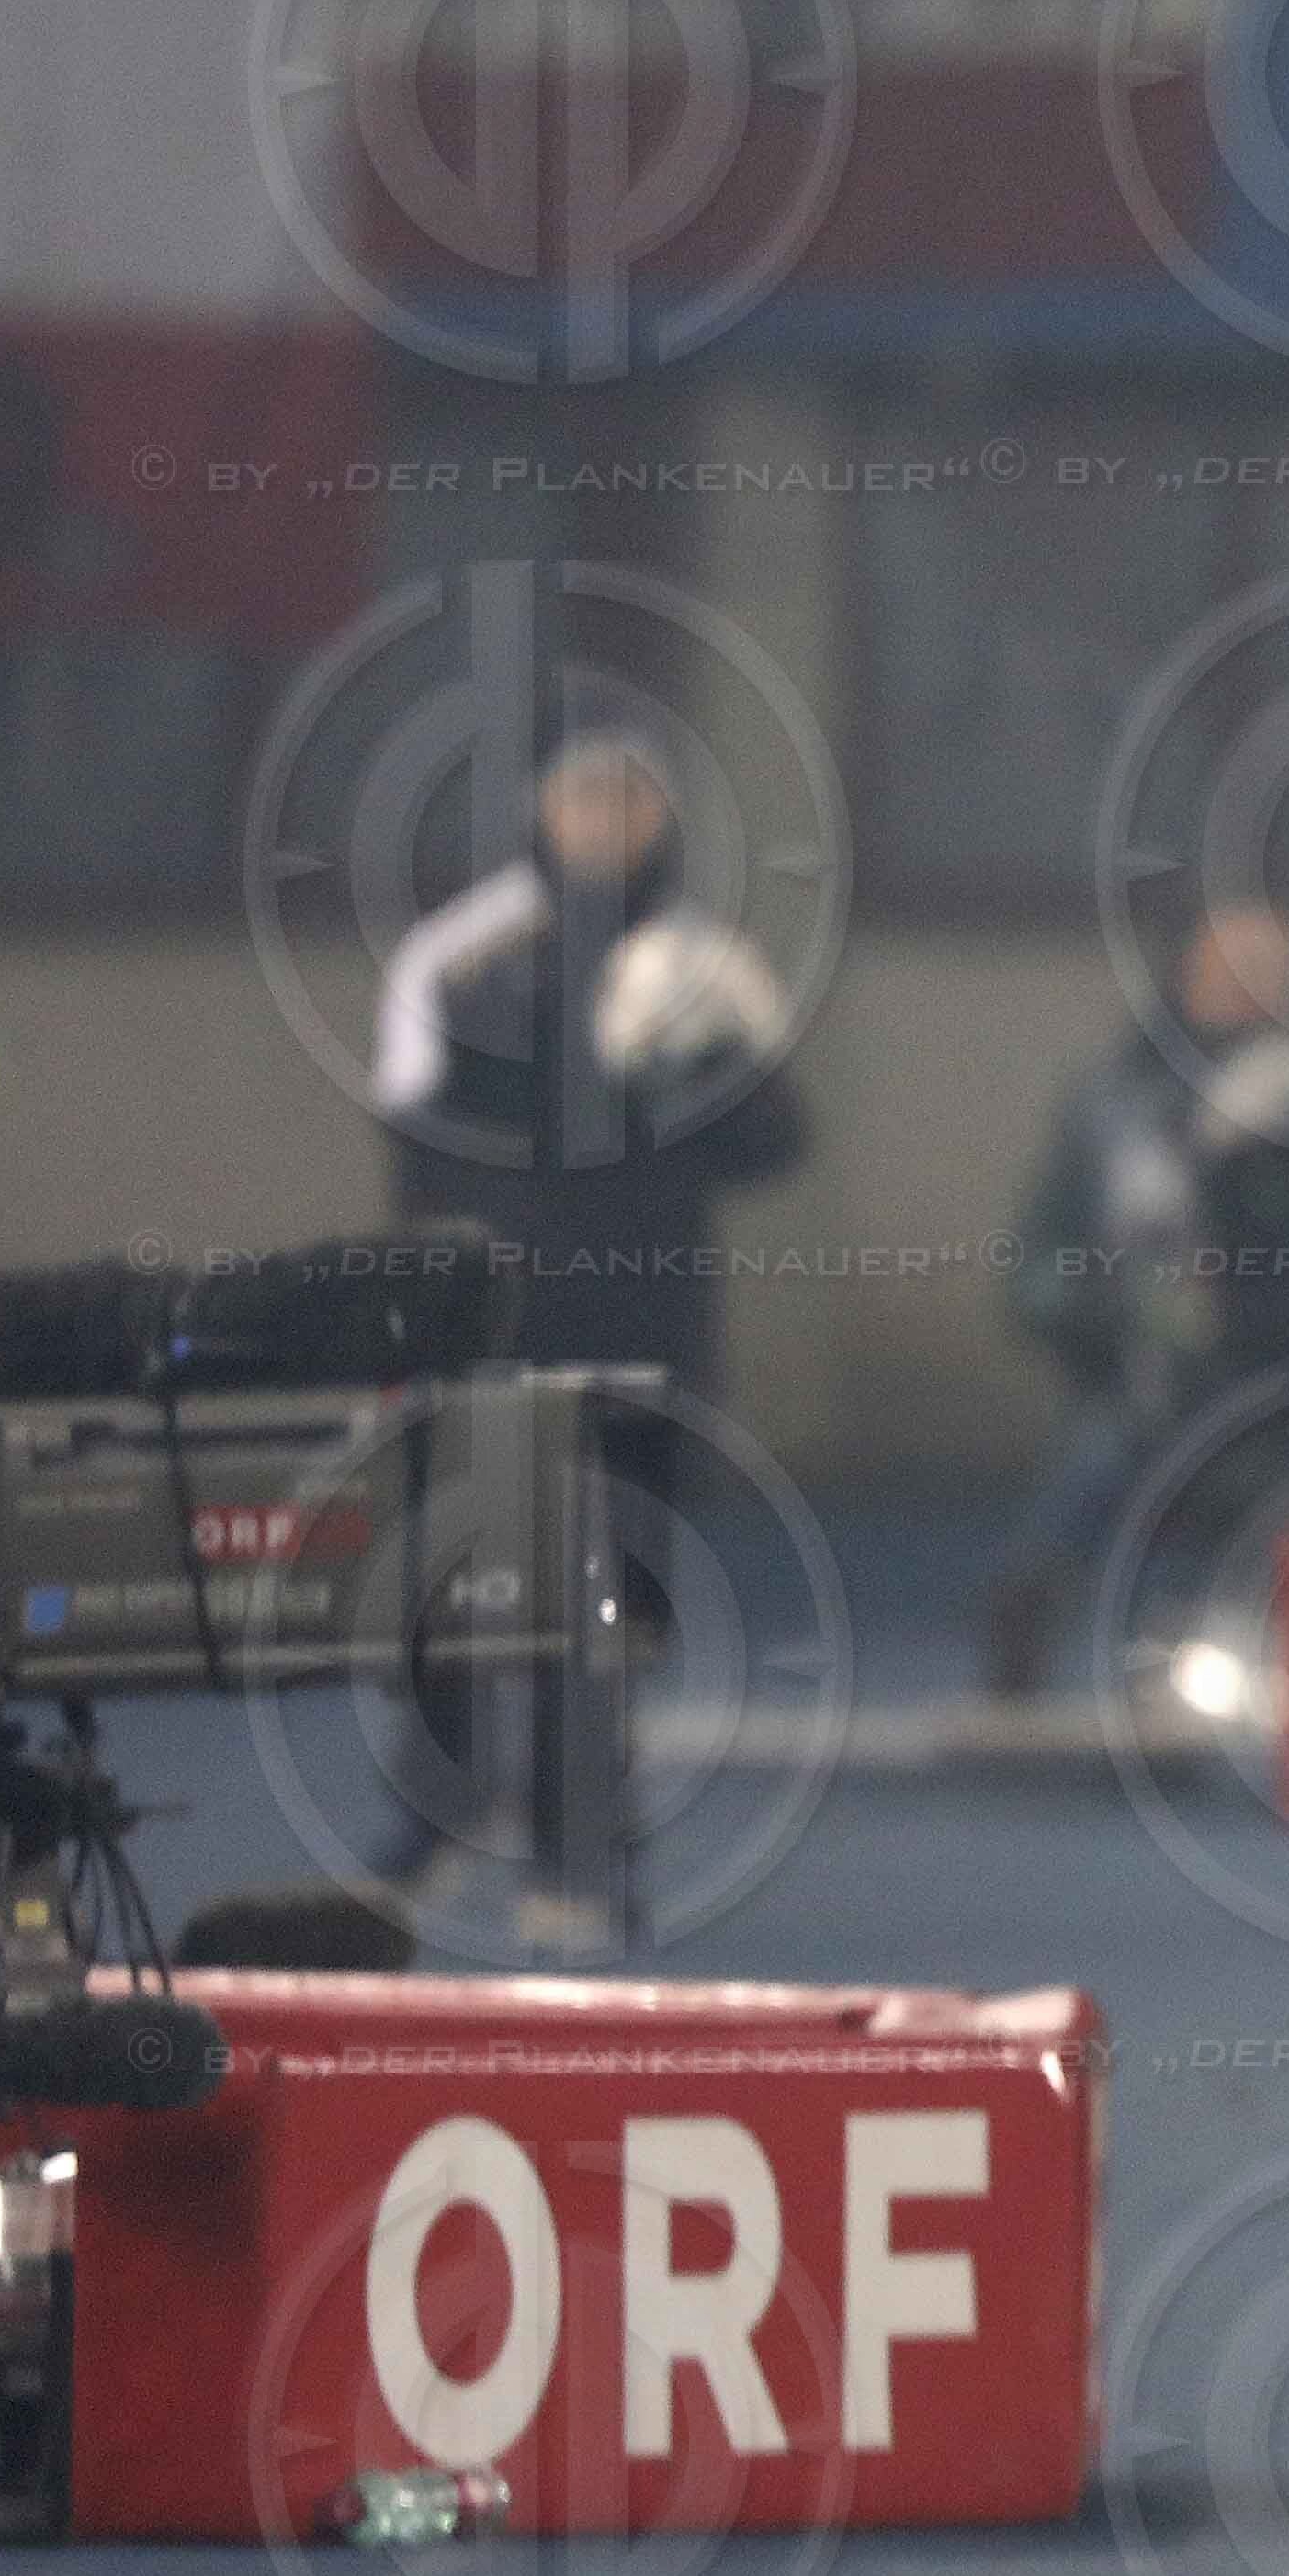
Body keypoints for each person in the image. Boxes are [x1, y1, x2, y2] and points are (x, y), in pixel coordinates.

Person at [369, 734, 807, 1901]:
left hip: (647, 1328)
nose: (608, 821)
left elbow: (777, 1144)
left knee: (612, 1595)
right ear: (540, 812)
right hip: (498, 1338)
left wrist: (688, 1067)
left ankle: (582, 1837)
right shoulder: (460, 959)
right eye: (584, 798)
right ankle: (443, 1803)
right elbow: (420, 1151)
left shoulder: (703, 964)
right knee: (457, 1582)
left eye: (633, 799)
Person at [984, 896, 1289, 1697]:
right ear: (1187, 975)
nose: (1247, 989)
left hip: (1284, 1383)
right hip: (1142, 1382)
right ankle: (1017, 1677)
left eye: (1268, 971)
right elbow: (1041, 1258)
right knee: (1083, 1485)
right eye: (1227, 969)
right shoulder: (1111, 1102)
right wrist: (1098, 1320)